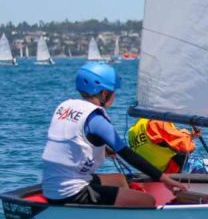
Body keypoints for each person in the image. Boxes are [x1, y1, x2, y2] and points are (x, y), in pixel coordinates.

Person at [41, 62, 187, 206]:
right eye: (113, 91)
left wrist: (103, 150)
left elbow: (71, 141)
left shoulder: (64, 107)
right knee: (148, 201)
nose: (114, 95)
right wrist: (165, 180)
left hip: (52, 186)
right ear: (104, 93)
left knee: (119, 180)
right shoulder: (96, 118)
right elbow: (128, 155)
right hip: (71, 192)